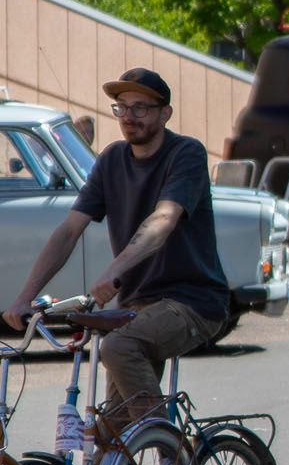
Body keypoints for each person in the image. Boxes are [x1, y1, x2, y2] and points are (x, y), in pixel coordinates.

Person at [3, 68, 229, 427]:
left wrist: (113, 271)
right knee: (110, 433)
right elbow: (69, 230)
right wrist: (24, 297)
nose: (129, 117)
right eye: (121, 108)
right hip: (137, 306)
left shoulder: (186, 154)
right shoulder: (111, 160)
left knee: (119, 348)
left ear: (164, 113)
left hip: (192, 301)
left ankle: (172, 455)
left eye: (140, 108)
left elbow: (164, 218)